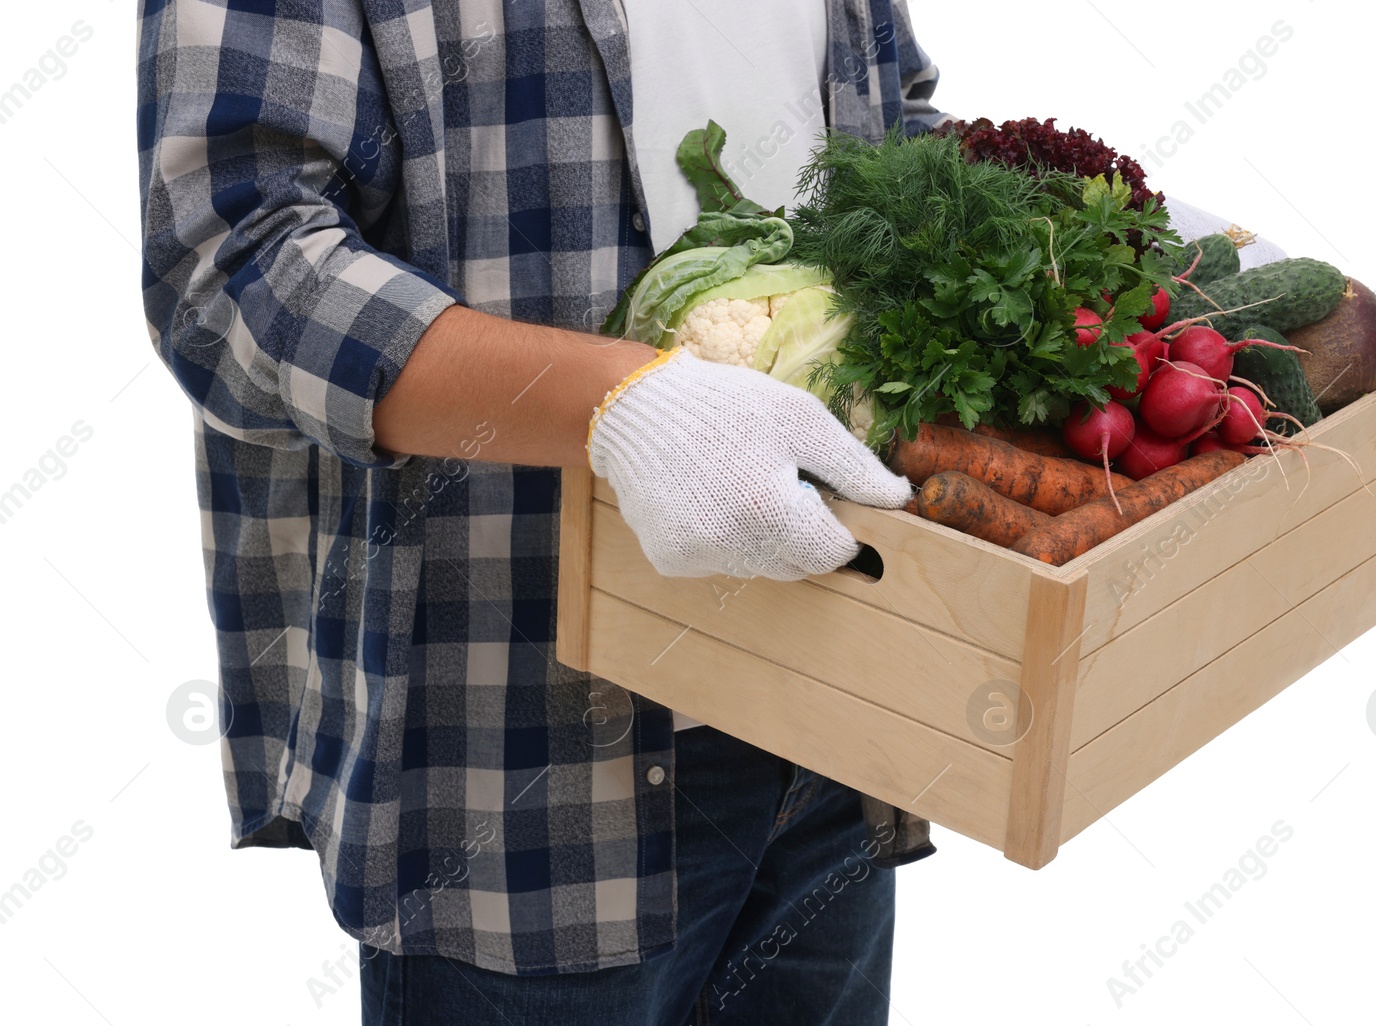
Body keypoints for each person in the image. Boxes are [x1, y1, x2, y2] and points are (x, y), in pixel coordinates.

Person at [137, 3, 1282, 1022]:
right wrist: (617, 405)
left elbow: (889, 113)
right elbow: (232, 268)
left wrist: (1115, 242)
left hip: (836, 704)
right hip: (518, 757)